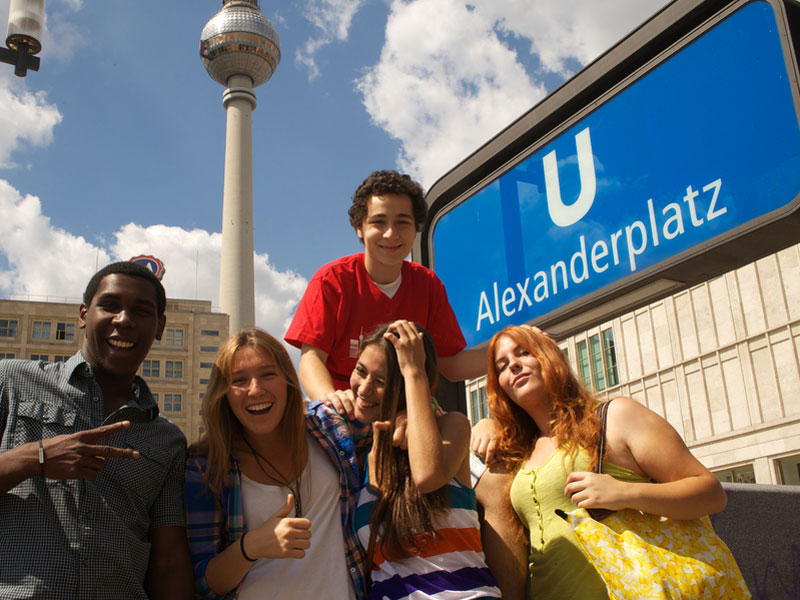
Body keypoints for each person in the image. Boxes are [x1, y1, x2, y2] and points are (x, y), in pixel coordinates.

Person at [485, 325, 728, 599]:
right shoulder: (520, 451)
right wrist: (485, 425)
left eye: (524, 353)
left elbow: (711, 493)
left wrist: (624, 493)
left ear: (551, 356)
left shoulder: (615, 417)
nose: (514, 366)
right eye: (502, 366)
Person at [0, 261, 193, 599]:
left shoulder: (168, 439)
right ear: (83, 314)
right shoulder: (11, 383)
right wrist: (36, 457)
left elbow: (169, 561)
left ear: (160, 327)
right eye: (110, 305)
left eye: (141, 310)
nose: (124, 320)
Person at [184, 328, 369, 600]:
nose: (256, 390)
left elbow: (390, 416)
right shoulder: (206, 466)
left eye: (268, 374)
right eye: (239, 380)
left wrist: (408, 418)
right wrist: (251, 546)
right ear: (223, 393)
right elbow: (203, 581)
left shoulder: (330, 428)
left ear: (288, 380)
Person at [285, 170, 486, 405]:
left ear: (416, 228)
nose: (391, 234)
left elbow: (450, 363)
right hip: (349, 412)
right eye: (379, 222)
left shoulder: (428, 285)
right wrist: (332, 400)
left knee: (456, 425)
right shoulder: (332, 280)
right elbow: (311, 359)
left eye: (402, 223)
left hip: (408, 414)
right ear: (359, 228)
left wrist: (517, 348)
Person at [351, 320, 501, 599]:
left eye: (381, 381)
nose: (364, 388)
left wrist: (413, 371)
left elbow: (426, 475)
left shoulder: (452, 427)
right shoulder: (357, 454)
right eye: (360, 371)